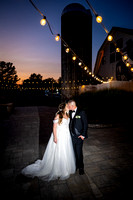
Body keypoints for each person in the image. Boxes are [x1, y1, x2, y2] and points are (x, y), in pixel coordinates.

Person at [21, 103, 76, 181]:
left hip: (66, 136)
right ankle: (58, 169)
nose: (69, 107)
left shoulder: (68, 114)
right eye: (67, 106)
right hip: (59, 136)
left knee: (66, 151)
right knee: (59, 151)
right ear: (64, 108)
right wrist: (55, 137)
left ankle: (66, 167)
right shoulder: (58, 116)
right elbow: (54, 127)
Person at [68, 100, 88, 175]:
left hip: (79, 137)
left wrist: (83, 135)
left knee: (79, 152)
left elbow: (85, 124)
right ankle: (75, 166)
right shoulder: (69, 112)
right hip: (71, 137)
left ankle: (81, 167)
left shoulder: (81, 112)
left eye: (69, 106)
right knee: (73, 152)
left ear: (72, 106)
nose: (68, 108)